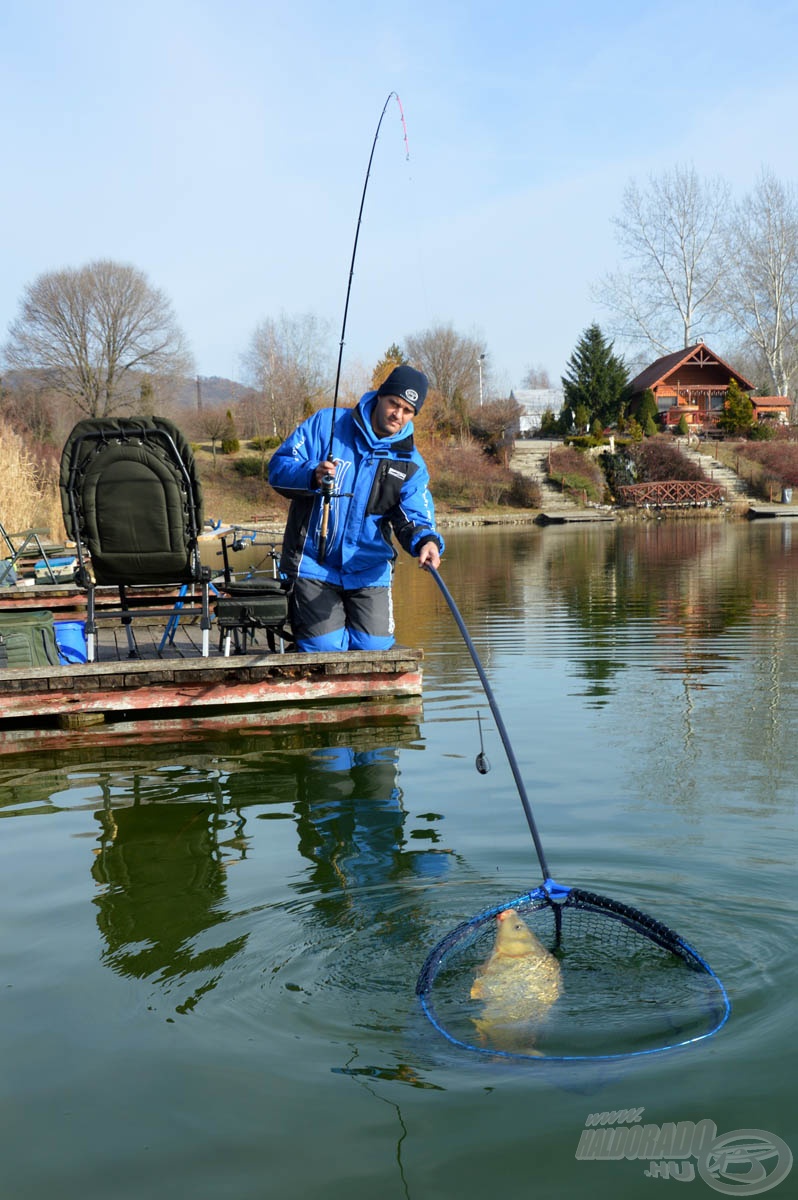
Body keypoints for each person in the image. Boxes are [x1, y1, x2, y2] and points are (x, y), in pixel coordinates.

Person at [268, 364, 443, 652]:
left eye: (407, 410)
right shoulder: (327, 424)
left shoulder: (411, 462)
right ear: (380, 396)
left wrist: (426, 541)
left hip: (369, 568)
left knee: (374, 648)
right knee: (324, 648)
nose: (397, 415)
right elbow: (278, 468)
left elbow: (414, 513)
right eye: (393, 403)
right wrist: (310, 474)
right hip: (314, 565)